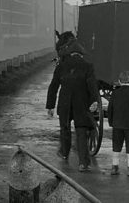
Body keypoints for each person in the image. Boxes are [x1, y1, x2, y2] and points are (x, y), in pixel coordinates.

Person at [46, 41, 99, 172]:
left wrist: (50, 106)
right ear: (81, 55)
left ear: (70, 54)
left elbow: (53, 87)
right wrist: (94, 101)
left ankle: (64, 153)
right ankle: (83, 163)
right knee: (81, 132)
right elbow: (92, 86)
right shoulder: (88, 66)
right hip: (81, 104)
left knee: (65, 128)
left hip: (65, 104)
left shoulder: (61, 66)